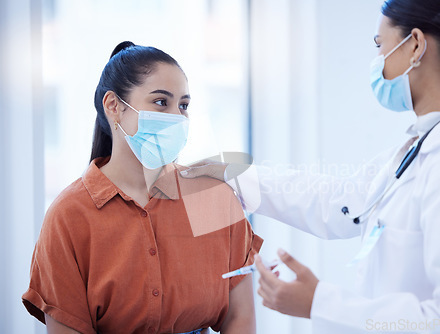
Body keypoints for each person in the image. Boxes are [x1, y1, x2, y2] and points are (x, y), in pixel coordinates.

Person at [180, 0, 440, 332]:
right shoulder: (420, 148)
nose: (377, 62)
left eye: (380, 45)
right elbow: (339, 200)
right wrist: (237, 175)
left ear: (415, 45)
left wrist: (319, 303)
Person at [22, 41, 263, 334]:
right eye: (161, 102)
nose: (177, 117)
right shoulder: (69, 215)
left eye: (183, 105)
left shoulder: (215, 199)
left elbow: (240, 319)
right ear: (114, 107)